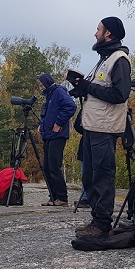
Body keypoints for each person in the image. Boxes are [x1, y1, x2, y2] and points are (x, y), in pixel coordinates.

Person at [70, 16, 131, 239]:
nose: (95, 33)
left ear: (108, 34)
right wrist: (82, 89)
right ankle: (97, 219)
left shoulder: (119, 60)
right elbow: (100, 89)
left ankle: (103, 223)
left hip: (105, 129)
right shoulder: (103, 59)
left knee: (103, 176)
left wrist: (89, 87)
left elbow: (120, 94)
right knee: (89, 177)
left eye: (98, 30)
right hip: (92, 127)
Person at [37, 72, 77, 206]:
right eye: (40, 85)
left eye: (42, 85)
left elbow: (71, 106)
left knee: (54, 166)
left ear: (47, 83)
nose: (41, 87)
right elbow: (48, 114)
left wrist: (59, 123)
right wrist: (41, 126)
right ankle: (53, 197)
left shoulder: (59, 92)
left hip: (57, 136)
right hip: (48, 135)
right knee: (47, 167)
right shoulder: (49, 96)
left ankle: (62, 197)